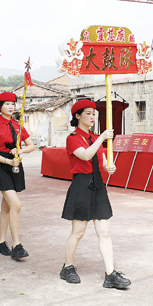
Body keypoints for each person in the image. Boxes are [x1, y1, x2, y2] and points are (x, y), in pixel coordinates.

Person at [59, 99, 131, 289]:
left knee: (104, 231)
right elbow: (85, 155)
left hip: (98, 185)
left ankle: (110, 274)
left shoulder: (96, 138)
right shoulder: (73, 138)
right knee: (78, 232)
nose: (92, 117)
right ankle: (67, 267)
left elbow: (103, 161)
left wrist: (109, 166)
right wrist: (102, 138)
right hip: (81, 185)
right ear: (77, 116)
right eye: (88, 113)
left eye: (94, 114)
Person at [0, 92, 35, 259]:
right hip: (1, 166)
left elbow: (31, 146)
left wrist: (20, 151)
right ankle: (16, 245)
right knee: (16, 205)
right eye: (6, 104)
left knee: (7, 206)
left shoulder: (18, 126)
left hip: (15, 165)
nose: (10, 106)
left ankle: (1, 243)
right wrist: (8, 161)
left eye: (12, 104)